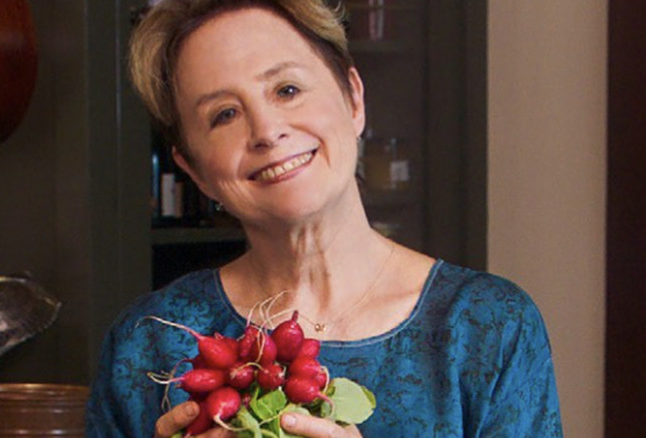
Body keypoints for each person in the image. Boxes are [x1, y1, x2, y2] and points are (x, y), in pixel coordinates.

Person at [86, 0, 563, 436]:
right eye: (224, 114)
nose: (267, 131)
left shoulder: (488, 326)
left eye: (287, 89)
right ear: (194, 171)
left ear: (353, 99)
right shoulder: (147, 343)